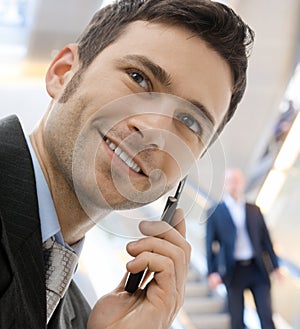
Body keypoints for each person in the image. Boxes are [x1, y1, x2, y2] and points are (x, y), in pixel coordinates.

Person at [0, 1, 254, 328]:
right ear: (63, 73)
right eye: (139, 78)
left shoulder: (76, 312)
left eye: (190, 122)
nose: (155, 132)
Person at [206, 168, 281, 329]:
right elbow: (210, 245)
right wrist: (212, 272)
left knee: (266, 316)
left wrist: (275, 267)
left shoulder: (254, 210)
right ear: (225, 185)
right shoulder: (215, 212)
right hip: (234, 272)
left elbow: (266, 240)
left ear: (242, 183)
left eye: (236, 181)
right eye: (230, 181)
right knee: (236, 319)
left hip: (257, 268)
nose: (234, 185)